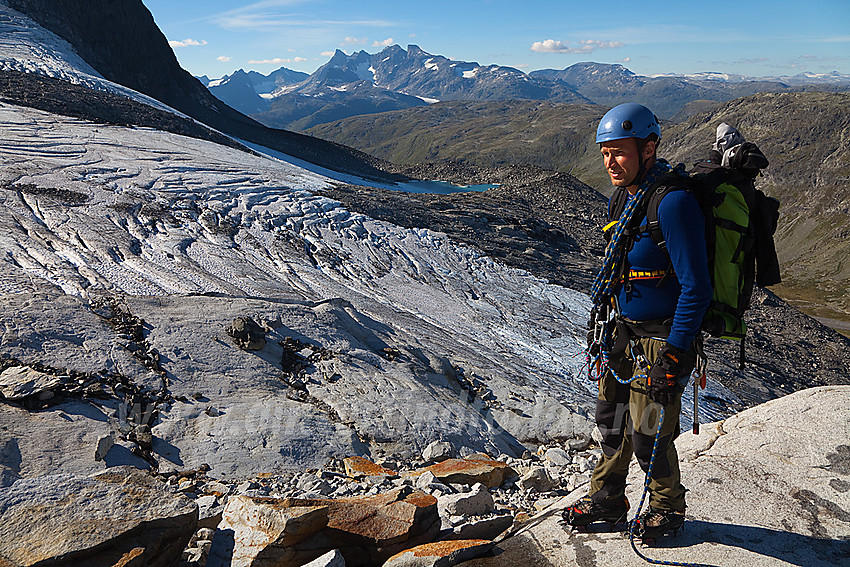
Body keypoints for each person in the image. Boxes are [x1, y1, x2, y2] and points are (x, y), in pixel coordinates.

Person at [565, 103, 712, 539]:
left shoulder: (674, 204)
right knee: (611, 422)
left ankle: (667, 508)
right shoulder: (625, 198)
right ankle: (607, 500)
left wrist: (675, 353)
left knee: (648, 433)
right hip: (624, 335)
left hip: (661, 341)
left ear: (649, 149)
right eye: (606, 153)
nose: (611, 162)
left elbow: (696, 287)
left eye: (620, 153)